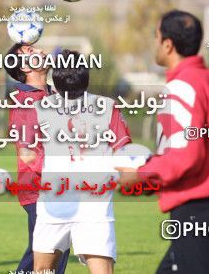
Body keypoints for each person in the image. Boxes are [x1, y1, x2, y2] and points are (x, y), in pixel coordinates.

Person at [117, 10, 209, 274]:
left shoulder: (182, 86)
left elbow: (186, 155)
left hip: (197, 209)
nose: (155, 43)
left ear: (168, 44)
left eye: (156, 36)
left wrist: (140, 176)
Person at [31, 49, 131, 274]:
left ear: (56, 80)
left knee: (42, 270)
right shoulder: (107, 106)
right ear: (86, 77)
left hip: (54, 202)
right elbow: (124, 152)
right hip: (93, 204)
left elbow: (31, 156)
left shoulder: (40, 109)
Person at [5, 43, 70, 274]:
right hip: (39, 190)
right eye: (32, 52)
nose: (41, 51)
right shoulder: (25, 99)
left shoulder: (54, 94)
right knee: (47, 257)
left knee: (46, 255)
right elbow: (27, 152)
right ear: (24, 67)